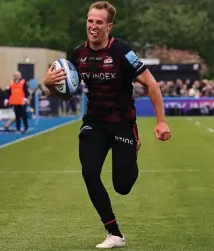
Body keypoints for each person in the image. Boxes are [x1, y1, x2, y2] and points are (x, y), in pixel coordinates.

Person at [42, 1, 171, 248]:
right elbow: (67, 93)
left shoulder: (122, 51)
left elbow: (151, 84)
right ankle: (114, 234)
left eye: (99, 22)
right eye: (90, 21)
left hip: (123, 124)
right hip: (95, 123)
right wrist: (49, 83)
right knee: (89, 173)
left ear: (109, 26)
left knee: (122, 186)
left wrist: (161, 122)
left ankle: (132, 149)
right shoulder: (77, 54)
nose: (93, 26)